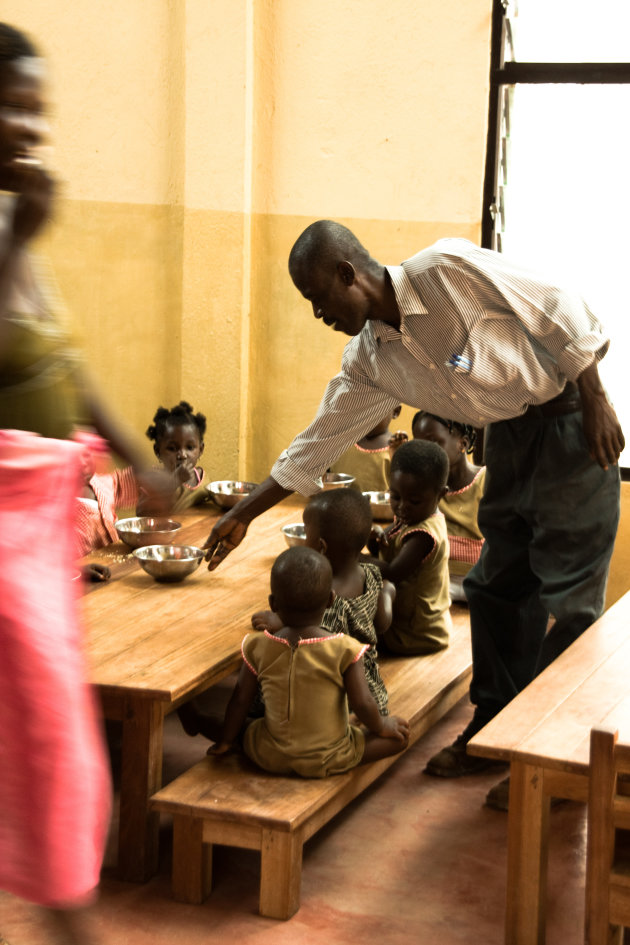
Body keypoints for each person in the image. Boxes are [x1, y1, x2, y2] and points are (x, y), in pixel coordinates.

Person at [204, 219, 623, 803]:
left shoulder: (444, 271)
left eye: (318, 297)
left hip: (574, 421)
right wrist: (245, 512)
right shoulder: (373, 360)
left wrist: (597, 399)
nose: (317, 313)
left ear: (348, 275)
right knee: (499, 589)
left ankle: (553, 762)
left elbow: (560, 306)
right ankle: (492, 732)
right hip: (511, 433)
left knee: (570, 607)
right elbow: (318, 440)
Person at [0, 23, 167, 944]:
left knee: (50, 753)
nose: (29, 130)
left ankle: (68, 914)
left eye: (36, 112)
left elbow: (58, 356)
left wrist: (133, 454)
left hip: (35, 535)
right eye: (12, 108)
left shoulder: (7, 225)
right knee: (52, 751)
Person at [209, 546, 409, 775]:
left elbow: (239, 701)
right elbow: (364, 704)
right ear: (331, 600)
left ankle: (197, 719)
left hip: (268, 755)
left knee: (241, 728)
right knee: (399, 739)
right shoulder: (346, 649)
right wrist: (383, 726)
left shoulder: (256, 646)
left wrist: (226, 741)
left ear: (273, 604)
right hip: (329, 758)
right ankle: (344, 728)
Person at [252, 488, 395, 714]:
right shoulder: (371, 576)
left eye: (306, 534)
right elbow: (381, 624)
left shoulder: (318, 595)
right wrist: (386, 594)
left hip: (332, 696)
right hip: (370, 694)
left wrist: (280, 622)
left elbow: (309, 634)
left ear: (320, 547)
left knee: (259, 694)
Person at [368, 439, 451, 654]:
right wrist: (375, 541)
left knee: (349, 632)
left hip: (415, 633)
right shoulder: (411, 518)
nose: (402, 507)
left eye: (414, 501)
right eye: (395, 497)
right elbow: (388, 551)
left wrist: (352, 557)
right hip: (410, 623)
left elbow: (394, 572)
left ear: (441, 495)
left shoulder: (423, 535)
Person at [404, 410, 486, 603]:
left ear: (462, 444)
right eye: (419, 445)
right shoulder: (423, 487)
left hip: (479, 580)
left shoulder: (485, 481)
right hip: (435, 578)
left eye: (434, 443)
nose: (425, 454)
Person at [137, 400, 209, 514]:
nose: (182, 455)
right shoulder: (154, 479)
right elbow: (141, 511)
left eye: (190, 448)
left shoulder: (201, 478)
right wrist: (174, 482)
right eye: (172, 448)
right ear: (157, 451)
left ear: (200, 450)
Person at [327, 404, 402, 492]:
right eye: (363, 407)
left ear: (395, 411)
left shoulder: (396, 451)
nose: (367, 415)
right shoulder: (341, 443)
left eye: (376, 410)